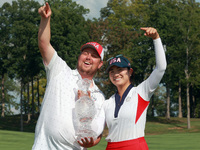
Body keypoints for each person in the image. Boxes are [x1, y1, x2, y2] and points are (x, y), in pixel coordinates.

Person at [32, 2, 105, 150]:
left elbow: (99, 133)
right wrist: (45, 19)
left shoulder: (100, 97)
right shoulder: (60, 70)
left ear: (100, 64)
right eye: (85, 53)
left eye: (94, 56)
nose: (88, 57)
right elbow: (44, 44)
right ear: (79, 56)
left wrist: (92, 142)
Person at [103, 27, 167, 150]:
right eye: (112, 71)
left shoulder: (141, 92)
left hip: (135, 146)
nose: (116, 74)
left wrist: (156, 38)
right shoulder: (107, 102)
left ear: (130, 72)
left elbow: (161, 68)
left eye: (120, 69)